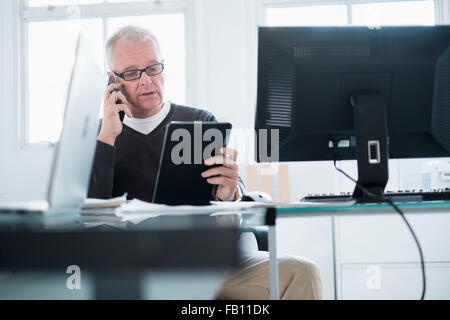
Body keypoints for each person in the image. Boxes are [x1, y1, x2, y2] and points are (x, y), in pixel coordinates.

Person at [88, 25, 323, 300]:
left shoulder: (199, 122)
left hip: (204, 264)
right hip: (132, 269)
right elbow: (89, 222)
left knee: (302, 271)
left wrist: (227, 195)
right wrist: (107, 138)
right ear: (112, 81)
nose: (146, 80)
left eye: (153, 68)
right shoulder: (98, 136)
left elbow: (230, 224)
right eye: (131, 73)